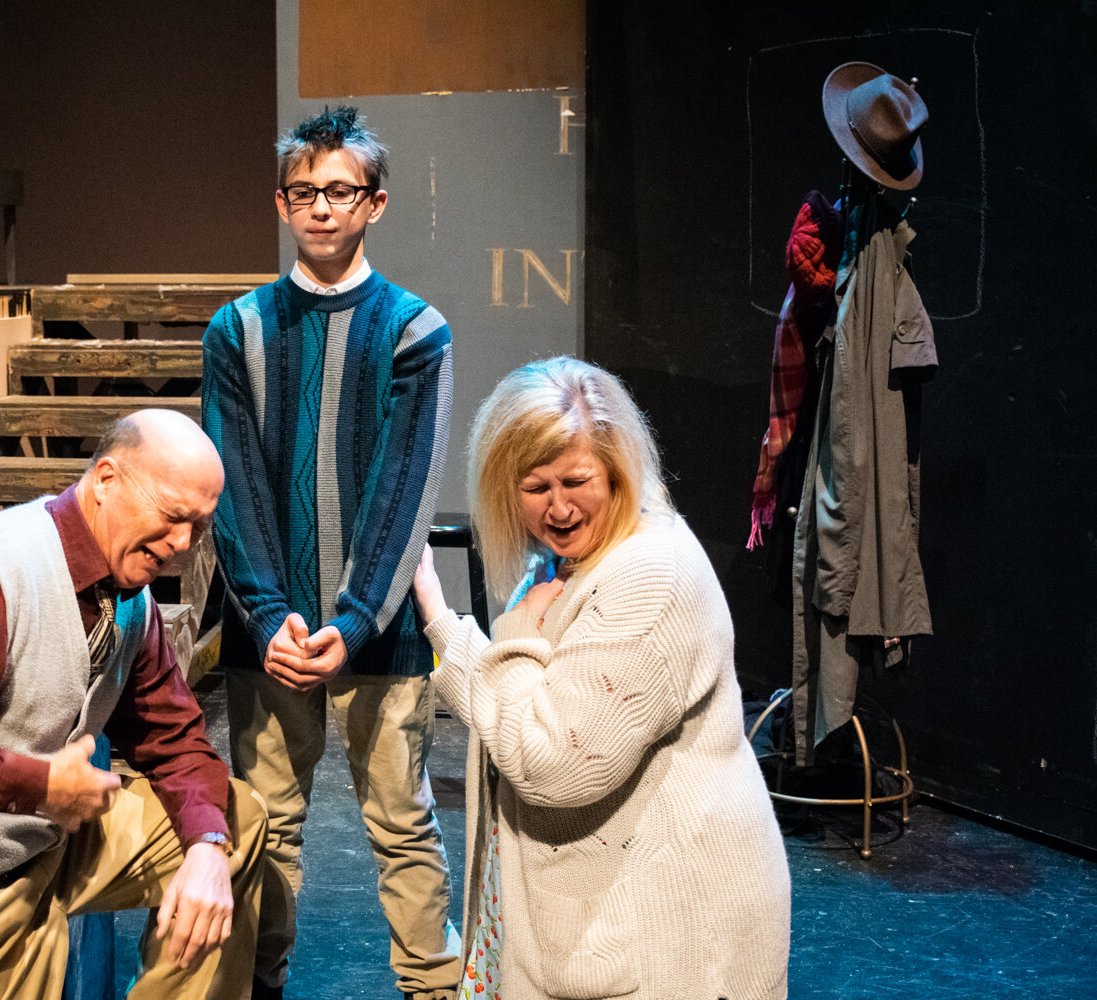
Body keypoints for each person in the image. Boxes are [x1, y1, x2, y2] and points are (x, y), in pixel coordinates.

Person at [0, 409, 267, 1000]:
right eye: (172, 516)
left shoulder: (127, 591)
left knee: (234, 820)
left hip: (39, 842)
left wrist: (208, 849)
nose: (184, 545)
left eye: (201, 526)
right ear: (106, 481)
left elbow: (176, 737)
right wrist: (35, 784)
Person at [411, 357, 792, 1000]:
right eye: (536, 487)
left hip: (669, 946)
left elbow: (556, 763)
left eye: (576, 480)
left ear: (617, 471)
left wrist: (461, 629)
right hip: (613, 920)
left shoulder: (647, 576)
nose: (558, 508)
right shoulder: (572, 562)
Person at [200, 106, 460, 1000]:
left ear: (375, 203)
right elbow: (229, 482)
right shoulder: (235, 330)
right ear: (281, 203)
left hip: (378, 636)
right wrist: (271, 617)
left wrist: (352, 621)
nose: (320, 208)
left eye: (339, 191)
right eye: (304, 192)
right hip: (267, 634)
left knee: (403, 825)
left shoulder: (416, 332)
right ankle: (258, 987)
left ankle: (433, 990)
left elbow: (405, 489)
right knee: (263, 829)